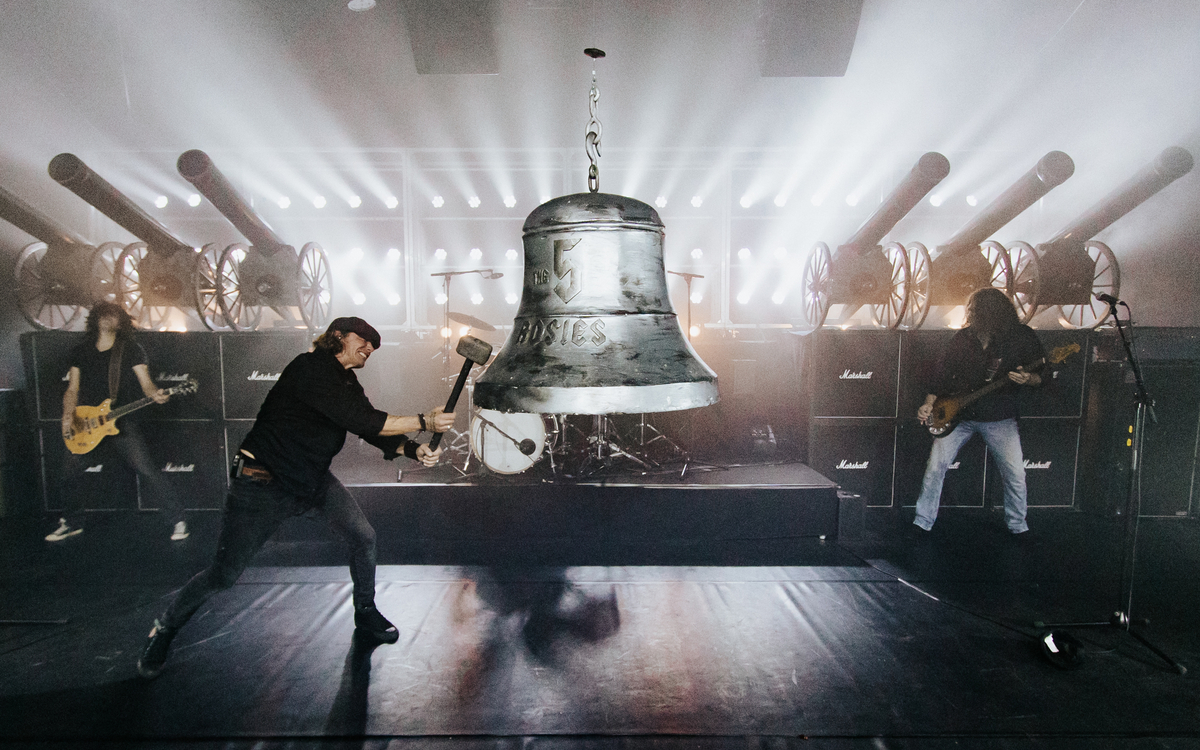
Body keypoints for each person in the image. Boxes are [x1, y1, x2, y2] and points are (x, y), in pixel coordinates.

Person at [136, 316, 455, 679]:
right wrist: (424, 421)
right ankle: (164, 627)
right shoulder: (309, 369)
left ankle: (365, 611)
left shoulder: (346, 381)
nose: (370, 348)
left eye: (375, 346)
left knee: (363, 537)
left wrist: (413, 451)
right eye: (363, 340)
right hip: (262, 484)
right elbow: (364, 420)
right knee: (223, 576)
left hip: (311, 481)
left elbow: (369, 428)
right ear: (337, 336)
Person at [47, 301, 187, 542]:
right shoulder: (80, 351)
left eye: (113, 316)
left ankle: (178, 520)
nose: (107, 320)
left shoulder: (131, 349)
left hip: (121, 421)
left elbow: (146, 384)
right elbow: (72, 389)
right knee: (68, 472)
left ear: (121, 322)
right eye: (103, 315)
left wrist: (156, 394)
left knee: (147, 470)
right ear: (95, 320)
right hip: (88, 423)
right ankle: (71, 522)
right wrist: (68, 416)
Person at [913, 287, 1045, 535]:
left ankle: (1018, 525)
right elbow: (940, 376)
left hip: (999, 417)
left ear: (991, 311)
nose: (970, 313)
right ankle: (922, 522)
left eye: (974, 309)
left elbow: (1042, 377)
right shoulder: (964, 338)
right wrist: (929, 404)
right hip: (958, 415)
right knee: (935, 467)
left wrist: (1027, 378)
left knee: (1015, 473)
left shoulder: (1021, 337)